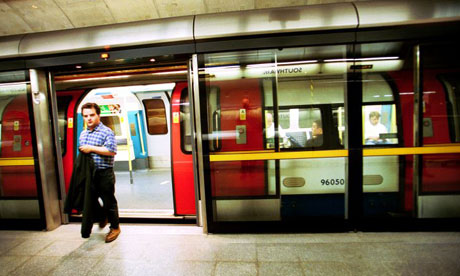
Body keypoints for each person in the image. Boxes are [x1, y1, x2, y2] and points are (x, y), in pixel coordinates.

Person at [79, 102, 120, 243]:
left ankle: (115, 227)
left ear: (98, 115)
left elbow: (111, 150)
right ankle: (102, 216)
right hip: (90, 175)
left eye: (92, 115)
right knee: (89, 201)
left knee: (109, 202)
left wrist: (91, 148)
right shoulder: (83, 134)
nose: (89, 118)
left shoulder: (106, 132)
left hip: (104, 173)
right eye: (85, 116)